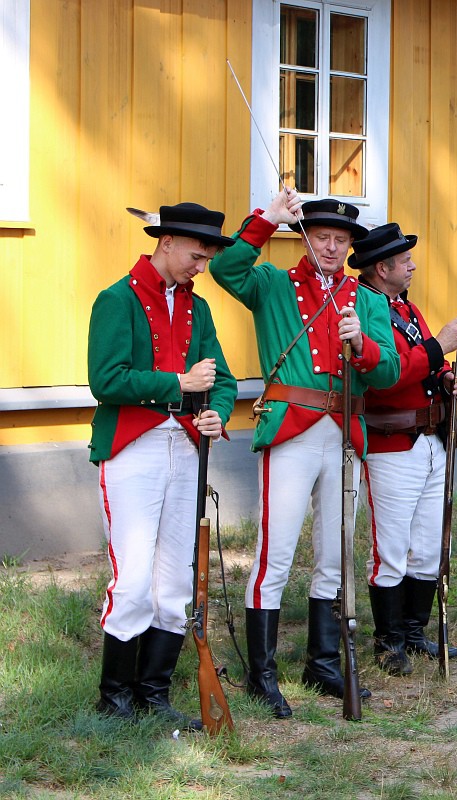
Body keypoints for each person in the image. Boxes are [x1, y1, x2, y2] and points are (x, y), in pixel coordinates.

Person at [210, 191, 399, 717]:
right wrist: (266, 218)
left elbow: (386, 374)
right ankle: (262, 674)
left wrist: (362, 345)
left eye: (341, 240)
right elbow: (225, 268)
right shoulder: (272, 283)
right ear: (306, 238)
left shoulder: (368, 300)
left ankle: (323, 662)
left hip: (343, 430)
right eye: (322, 237)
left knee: (335, 554)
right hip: (293, 428)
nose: (333, 247)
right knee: (277, 551)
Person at [88, 202, 237, 725]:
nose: (202, 267)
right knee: (131, 578)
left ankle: (153, 695)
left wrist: (216, 414)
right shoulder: (117, 299)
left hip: (186, 446)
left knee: (176, 579)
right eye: (197, 256)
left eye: (207, 258)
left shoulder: (199, 309)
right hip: (134, 447)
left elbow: (221, 379)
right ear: (166, 242)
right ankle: (115, 700)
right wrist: (176, 384)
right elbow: (105, 379)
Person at [351, 223, 457, 676]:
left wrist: (446, 377)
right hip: (391, 442)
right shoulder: (365, 309)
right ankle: (389, 640)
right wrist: (439, 346)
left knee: (426, 543)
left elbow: (421, 368)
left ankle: (415, 630)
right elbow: (389, 375)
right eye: (405, 261)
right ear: (382, 268)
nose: (413, 266)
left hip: (429, 437)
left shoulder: (407, 308)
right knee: (392, 545)